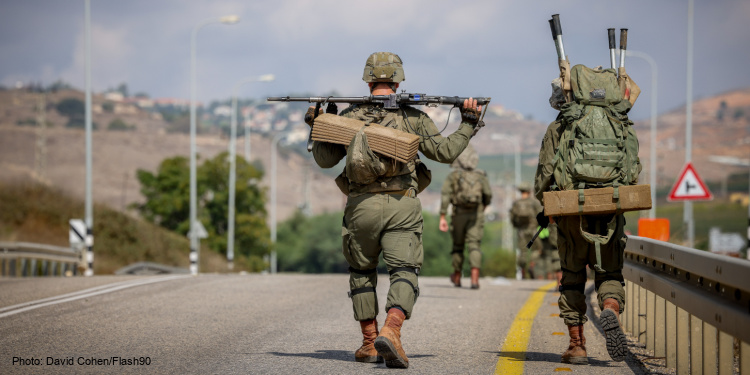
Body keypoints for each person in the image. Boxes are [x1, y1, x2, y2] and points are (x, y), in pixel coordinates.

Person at [310, 52, 483, 368]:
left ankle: (368, 342)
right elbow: (444, 153)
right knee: (404, 270)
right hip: (402, 205)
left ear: (368, 79)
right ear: (399, 80)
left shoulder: (348, 116)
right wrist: (469, 123)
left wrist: (320, 123)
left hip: (360, 207)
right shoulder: (413, 117)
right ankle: (392, 329)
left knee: (362, 272)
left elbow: (324, 160)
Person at [535, 76, 638, 364]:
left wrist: (546, 205)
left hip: (571, 214)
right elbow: (632, 172)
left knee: (572, 278)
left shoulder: (560, 126)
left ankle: (577, 345)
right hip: (610, 212)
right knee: (609, 274)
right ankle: (610, 307)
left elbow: (545, 173)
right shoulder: (621, 123)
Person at [438, 144, 492, 289]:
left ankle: (456, 277)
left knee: (458, 246)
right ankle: (475, 280)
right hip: (476, 214)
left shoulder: (454, 176)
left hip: (458, 214)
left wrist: (442, 216)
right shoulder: (480, 176)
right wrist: (483, 207)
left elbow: (445, 196)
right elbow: (488, 195)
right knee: (474, 245)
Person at [509, 182, 542, 279]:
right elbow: (540, 215)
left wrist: (516, 226)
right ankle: (532, 265)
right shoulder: (534, 203)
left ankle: (522, 272)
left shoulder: (516, 203)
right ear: (529, 191)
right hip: (533, 230)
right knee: (536, 249)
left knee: (522, 252)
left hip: (521, 231)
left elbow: (512, 217)